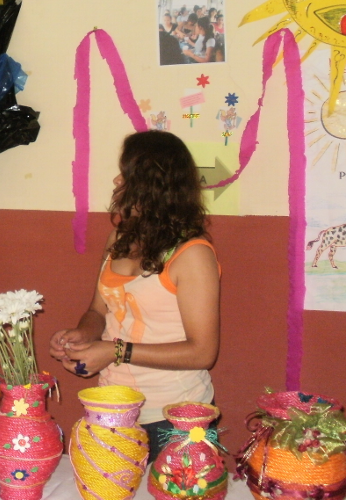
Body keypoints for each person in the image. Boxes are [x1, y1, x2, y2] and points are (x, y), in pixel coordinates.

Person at [49, 131, 220, 463]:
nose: (116, 180)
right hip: (111, 405)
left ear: (152, 183)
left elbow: (202, 353)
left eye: (125, 173)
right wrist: (82, 337)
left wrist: (113, 351)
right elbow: (98, 310)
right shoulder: (120, 237)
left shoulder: (193, 254)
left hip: (173, 416)